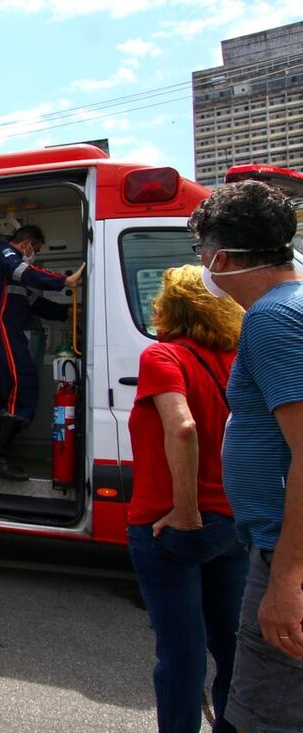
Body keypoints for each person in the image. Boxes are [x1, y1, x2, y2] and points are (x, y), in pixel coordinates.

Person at [186, 180, 303, 733]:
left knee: (263, 718)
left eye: (201, 253)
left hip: (286, 548)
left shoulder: (272, 318)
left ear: (220, 256)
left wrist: (286, 580)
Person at [127, 264, 248, 733]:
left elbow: (182, 427)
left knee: (181, 654)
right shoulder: (239, 356)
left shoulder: (164, 356)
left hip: (172, 525)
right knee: (234, 646)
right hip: (233, 523)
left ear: (170, 307)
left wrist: (184, 510)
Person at [0, 225, 84, 480]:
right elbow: (22, 271)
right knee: (19, 385)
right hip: (0, 326)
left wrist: (68, 314)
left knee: (10, 391)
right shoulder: (2, 254)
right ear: (25, 244)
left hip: (8, 330)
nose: (32, 254)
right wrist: (63, 281)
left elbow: (34, 302)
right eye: (34, 249)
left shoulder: (15, 279)